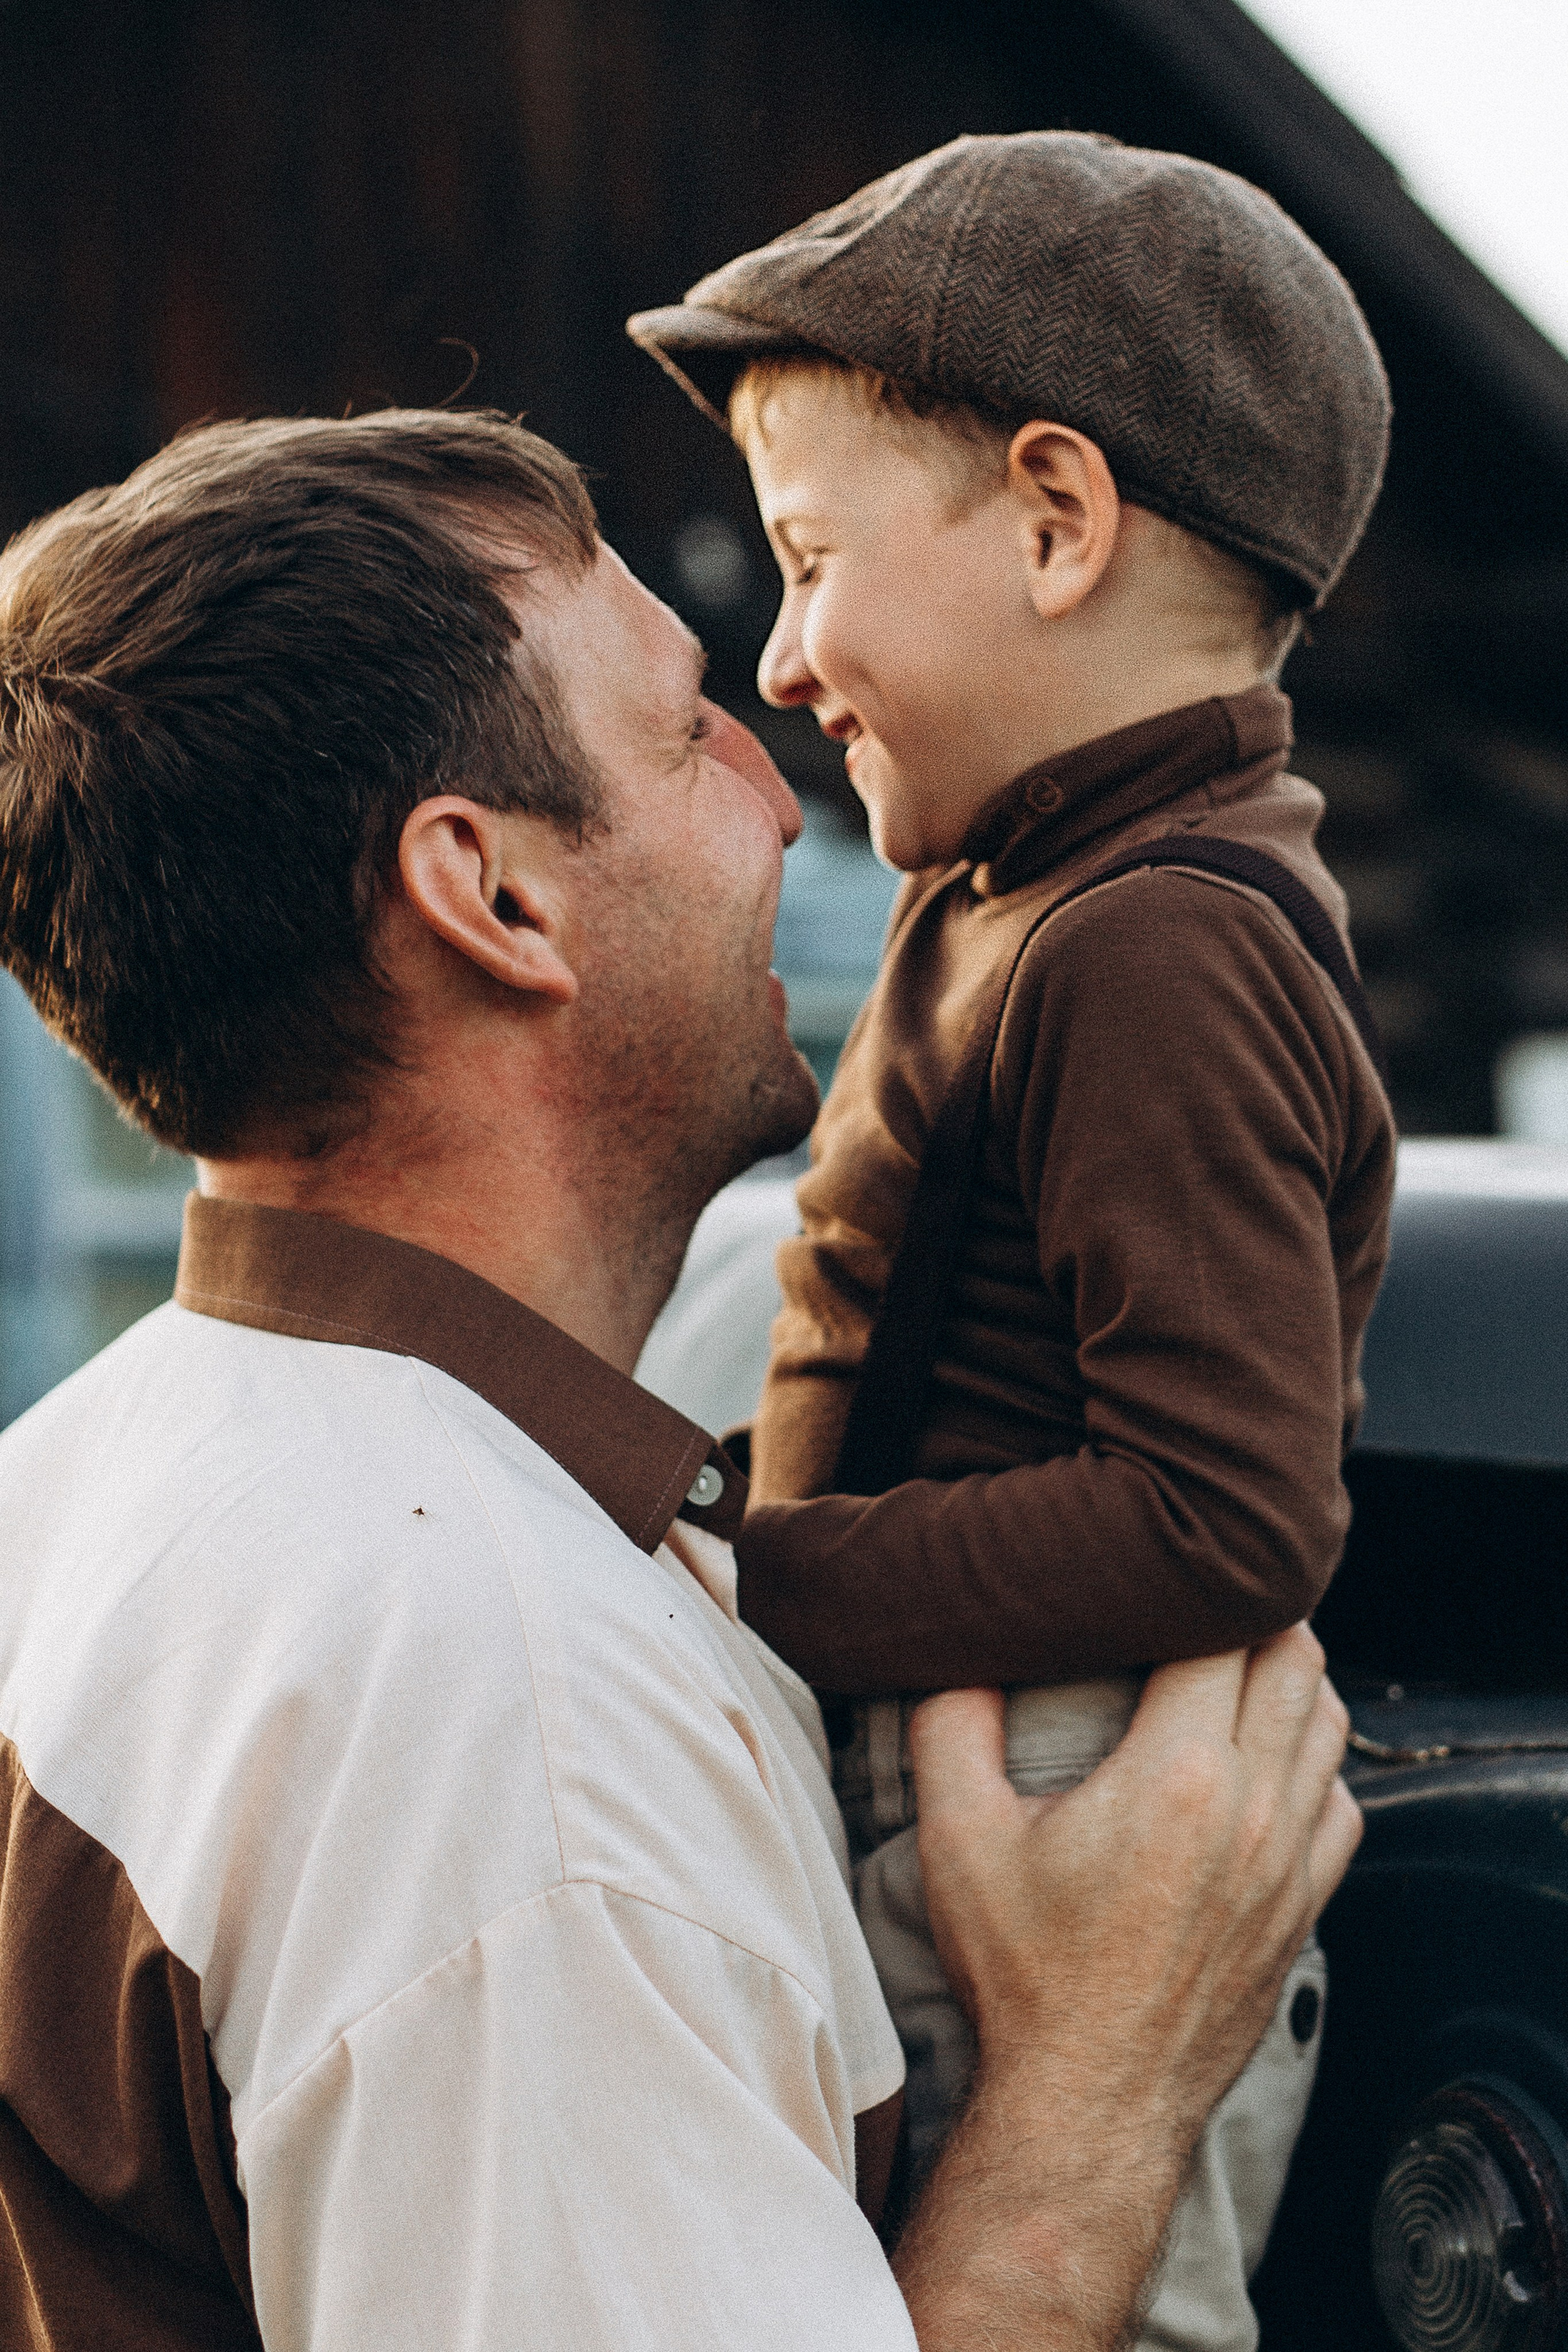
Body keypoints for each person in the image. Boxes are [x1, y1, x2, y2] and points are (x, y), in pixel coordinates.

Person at [0, 406, 1359, 2351]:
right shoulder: (518, 1747)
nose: (783, 784)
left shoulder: (81, 1485)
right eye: (688, 729)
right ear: (498, 897)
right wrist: (1101, 2087)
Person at [627, 130, 1396, 2336]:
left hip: (1065, 1812)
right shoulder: (1042, 888)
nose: (778, 664)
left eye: (806, 561)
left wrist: (767, 1573)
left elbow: (1224, 1509)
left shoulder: (1161, 944)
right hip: (969, 1756)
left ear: (1057, 524)